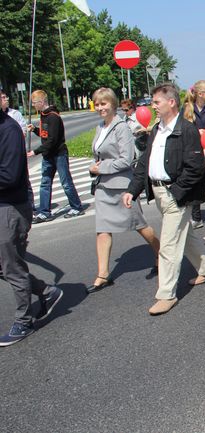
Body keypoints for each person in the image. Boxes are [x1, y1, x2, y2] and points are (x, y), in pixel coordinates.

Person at [123, 83, 205, 316]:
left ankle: (166, 294)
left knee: (168, 245)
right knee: (184, 235)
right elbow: (145, 163)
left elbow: (195, 167)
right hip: (159, 193)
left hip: (176, 195)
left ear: (171, 102)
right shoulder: (157, 129)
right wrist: (132, 190)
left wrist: (176, 192)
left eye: (156, 102)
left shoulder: (186, 130)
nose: (152, 106)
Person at [86, 88, 160, 294]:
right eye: (97, 104)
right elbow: (99, 154)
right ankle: (102, 275)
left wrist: (101, 167)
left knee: (139, 224)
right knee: (102, 228)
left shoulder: (121, 127)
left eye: (104, 104)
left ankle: (161, 253)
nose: (100, 108)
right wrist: (97, 169)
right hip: (103, 185)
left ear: (113, 104)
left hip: (121, 185)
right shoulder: (100, 126)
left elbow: (126, 160)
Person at [0, 107, 63, 346]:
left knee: (12, 266)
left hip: (10, 208)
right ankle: (47, 292)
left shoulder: (8, 130)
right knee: (5, 265)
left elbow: (9, 176)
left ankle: (23, 321)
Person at [27, 90, 84, 223]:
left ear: (42, 102)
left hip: (58, 154)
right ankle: (44, 212)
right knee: (45, 183)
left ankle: (76, 206)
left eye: (34, 103)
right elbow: (45, 134)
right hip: (48, 155)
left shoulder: (53, 117)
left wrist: (36, 151)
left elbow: (52, 140)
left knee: (66, 182)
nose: (33, 106)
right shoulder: (43, 115)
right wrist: (35, 130)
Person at [182, 80, 205, 230]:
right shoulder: (186, 108)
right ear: (199, 93)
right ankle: (196, 217)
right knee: (195, 185)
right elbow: (183, 127)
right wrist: (195, 133)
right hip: (193, 153)